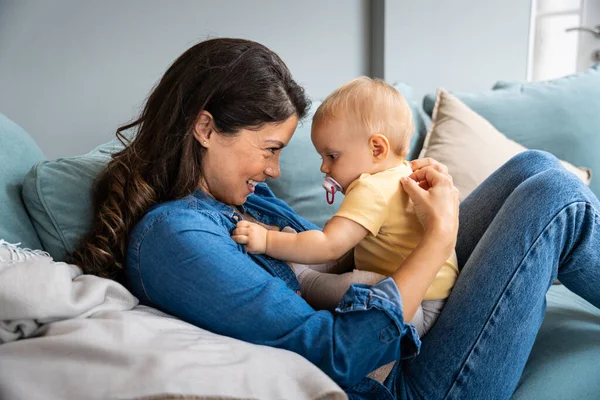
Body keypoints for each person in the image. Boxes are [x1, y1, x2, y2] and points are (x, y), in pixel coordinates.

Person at [69, 38, 600, 399]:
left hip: (412, 327)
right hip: (405, 379)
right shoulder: (176, 236)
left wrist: (386, 202)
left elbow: (333, 261)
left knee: (535, 168)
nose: (275, 169)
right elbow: (340, 354)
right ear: (205, 128)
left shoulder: (240, 203)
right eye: (270, 149)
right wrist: (438, 238)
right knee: (559, 197)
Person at [231, 76, 458, 337]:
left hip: (415, 309)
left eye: (332, 156)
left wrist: (267, 240)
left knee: (363, 283)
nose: (323, 167)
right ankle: (301, 259)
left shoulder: (371, 188)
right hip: (440, 298)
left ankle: (305, 281)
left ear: (376, 149)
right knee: (352, 257)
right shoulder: (403, 173)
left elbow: (330, 246)